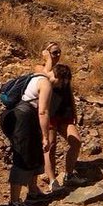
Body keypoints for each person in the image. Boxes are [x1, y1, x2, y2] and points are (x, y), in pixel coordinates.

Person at [1, 65, 56, 206]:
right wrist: (45, 136)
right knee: (23, 157)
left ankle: (33, 193)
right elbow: (43, 112)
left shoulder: (34, 77)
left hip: (16, 116)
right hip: (23, 118)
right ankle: (14, 202)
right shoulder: (45, 83)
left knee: (33, 153)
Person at [41, 44, 84, 189]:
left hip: (64, 112)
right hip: (50, 113)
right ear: (46, 53)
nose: (57, 54)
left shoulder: (63, 70)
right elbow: (45, 75)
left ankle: (69, 174)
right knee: (51, 146)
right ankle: (53, 180)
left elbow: (69, 91)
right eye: (53, 52)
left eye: (59, 52)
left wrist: (74, 111)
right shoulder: (42, 69)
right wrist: (47, 59)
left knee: (76, 141)